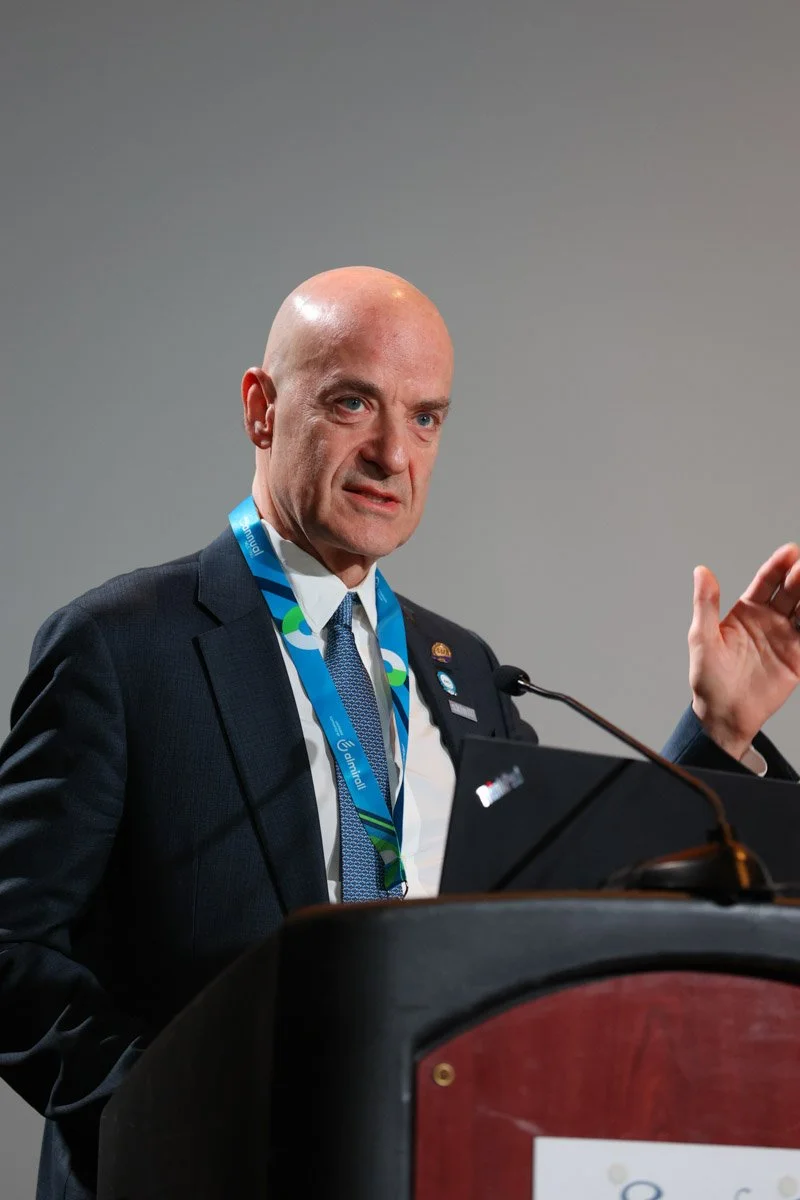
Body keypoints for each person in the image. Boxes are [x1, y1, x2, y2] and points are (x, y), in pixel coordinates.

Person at [0, 265, 798, 1200]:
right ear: (261, 408)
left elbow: (561, 912)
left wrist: (718, 731)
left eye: (425, 418)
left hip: (440, 1160)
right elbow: (14, 946)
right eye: (352, 404)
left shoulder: (462, 667)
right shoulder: (124, 647)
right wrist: (163, 1117)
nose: (393, 453)